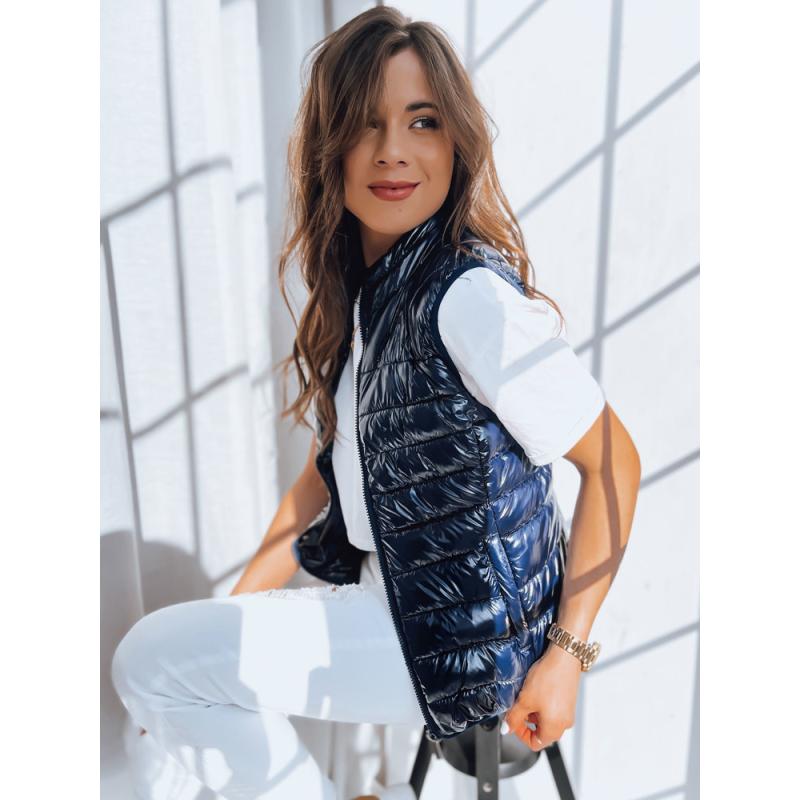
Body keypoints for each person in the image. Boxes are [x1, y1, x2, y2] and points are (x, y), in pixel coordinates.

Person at [111, 6, 641, 800]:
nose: (393, 149)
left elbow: (616, 465)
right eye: (366, 123)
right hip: (393, 603)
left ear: (456, 142)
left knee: (148, 663)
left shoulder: (467, 299)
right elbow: (317, 486)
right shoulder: (375, 297)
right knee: (156, 707)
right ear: (331, 150)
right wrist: (233, 622)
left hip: (468, 639)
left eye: (422, 121)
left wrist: (567, 658)